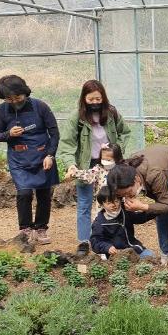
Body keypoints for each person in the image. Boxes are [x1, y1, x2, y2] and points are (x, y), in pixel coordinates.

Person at [59, 80, 132, 257]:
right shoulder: (76, 118)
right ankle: (84, 241)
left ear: (103, 98)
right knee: (84, 203)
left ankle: (113, 237)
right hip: (86, 164)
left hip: (109, 164)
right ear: (84, 99)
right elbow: (67, 144)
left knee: (112, 200)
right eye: (90, 99)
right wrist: (70, 165)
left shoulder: (112, 113)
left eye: (98, 99)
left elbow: (126, 132)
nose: (94, 103)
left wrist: (117, 150)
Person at [0, 75, 59, 245]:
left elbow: (54, 133)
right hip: (19, 159)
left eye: (17, 97)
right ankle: (25, 229)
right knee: (24, 193)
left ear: (25, 92)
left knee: (44, 193)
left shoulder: (40, 106)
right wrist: (9, 134)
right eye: (9, 99)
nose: (14, 101)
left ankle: (41, 228)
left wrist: (50, 155)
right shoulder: (1, 110)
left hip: (43, 155)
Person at [106, 145, 168, 265]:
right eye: (122, 195)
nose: (127, 197)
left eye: (128, 193)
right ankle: (165, 253)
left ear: (136, 180)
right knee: (160, 210)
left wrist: (143, 206)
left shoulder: (154, 174)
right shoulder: (126, 169)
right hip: (162, 175)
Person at [89, 186, 156, 261]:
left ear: (120, 200)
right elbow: (95, 241)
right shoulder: (99, 222)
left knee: (150, 257)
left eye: (116, 201)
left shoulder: (125, 212)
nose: (114, 205)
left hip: (134, 249)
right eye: (109, 203)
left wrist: (156, 209)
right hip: (115, 255)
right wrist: (107, 247)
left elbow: (140, 217)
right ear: (102, 204)